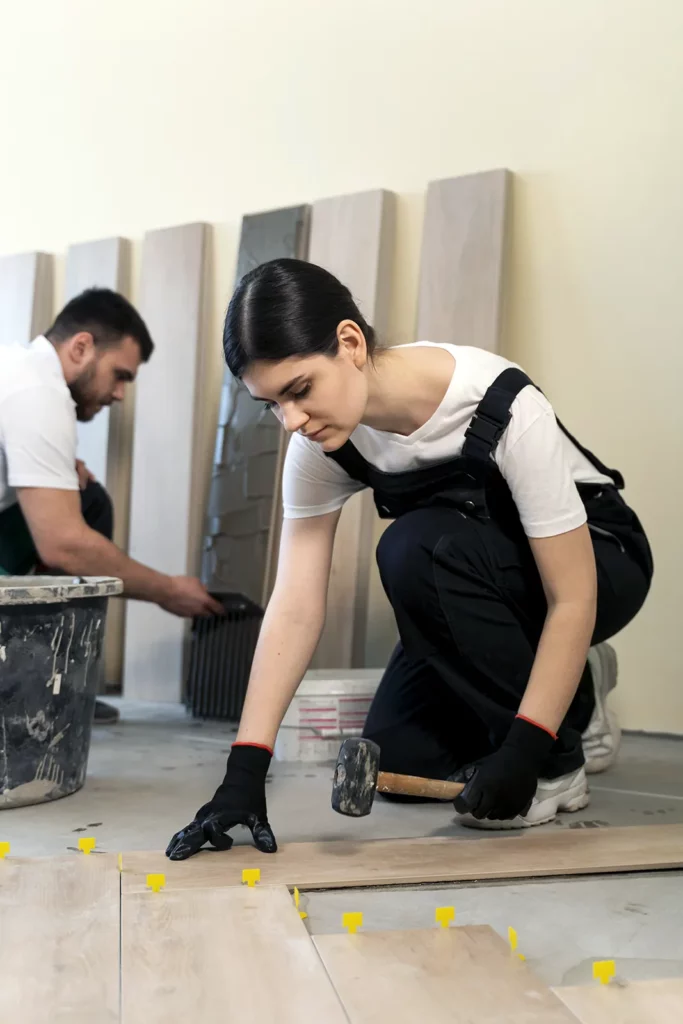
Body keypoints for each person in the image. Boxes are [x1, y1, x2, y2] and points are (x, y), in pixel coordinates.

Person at [166, 258, 653, 860]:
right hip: (480, 579)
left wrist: (526, 751)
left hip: (600, 564)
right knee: (402, 758)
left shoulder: (498, 401)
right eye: (270, 404)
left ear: (349, 343)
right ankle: (571, 689)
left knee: (412, 548)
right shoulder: (320, 445)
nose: (291, 422)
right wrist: (244, 771)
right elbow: (294, 605)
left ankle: (560, 755)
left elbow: (572, 595)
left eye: (298, 390)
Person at [0, 288, 223, 723]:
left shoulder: (18, 369)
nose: (120, 394)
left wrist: (61, 471)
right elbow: (62, 545)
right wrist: (167, 590)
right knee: (75, 527)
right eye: (120, 375)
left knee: (89, 501)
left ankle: (57, 681)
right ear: (81, 347)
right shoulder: (36, 394)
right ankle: (43, 693)